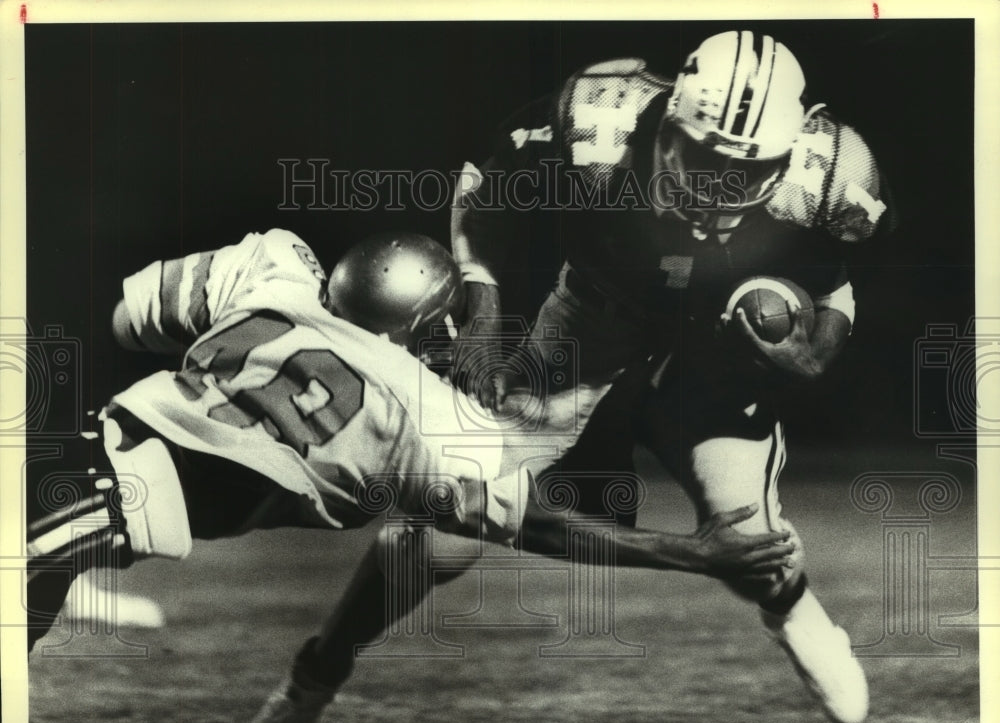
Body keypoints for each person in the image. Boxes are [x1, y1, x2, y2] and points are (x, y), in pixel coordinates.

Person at [26, 228, 794, 665]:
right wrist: (695, 554)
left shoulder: (274, 273)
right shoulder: (428, 418)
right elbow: (543, 526)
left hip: (80, 449)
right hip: (108, 497)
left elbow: (130, 316)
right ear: (423, 326)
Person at [444, 30, 892, 723]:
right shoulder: (600, 119)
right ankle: (315, 677)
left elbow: (836, 281)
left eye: (742, 169)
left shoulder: (831, 170)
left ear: (792, 149)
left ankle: (794, 608)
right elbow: (483, 182)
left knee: (751, 537)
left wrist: (819, 348)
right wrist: (480, 291)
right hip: (595, 313)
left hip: (718, 335)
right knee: (454, 502)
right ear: (671, 118)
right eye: (702, 154)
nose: (716, 181)